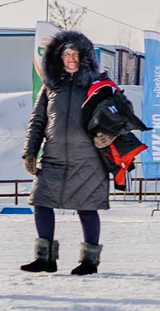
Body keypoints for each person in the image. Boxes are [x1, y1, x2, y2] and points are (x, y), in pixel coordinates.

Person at [21, 31, 126, 276]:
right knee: (40, 202)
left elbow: (123, 114)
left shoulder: (100, 85)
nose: (71, 59)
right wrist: (29, 152)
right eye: (66, 54)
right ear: (58, 57)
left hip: (89, 159)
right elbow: (37, 120)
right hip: (53, 156)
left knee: (87, 208)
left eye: (75, 54)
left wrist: (109, 135)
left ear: (85, 57)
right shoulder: (50, 87)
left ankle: (89, 261)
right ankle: (44, 258)